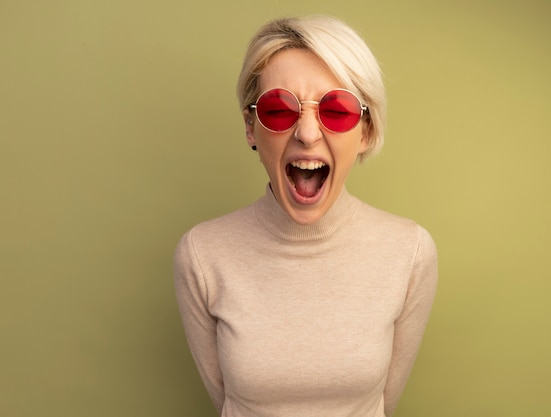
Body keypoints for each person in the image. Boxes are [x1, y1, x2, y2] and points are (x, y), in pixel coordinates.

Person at [174, 15, 438, 417]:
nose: (308, 133)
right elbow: (227, 402)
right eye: (280, 108)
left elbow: (383, 403)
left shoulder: (410, 252)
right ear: (251, 126)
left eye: (337, 109)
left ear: (365, 131)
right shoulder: (202, 255)